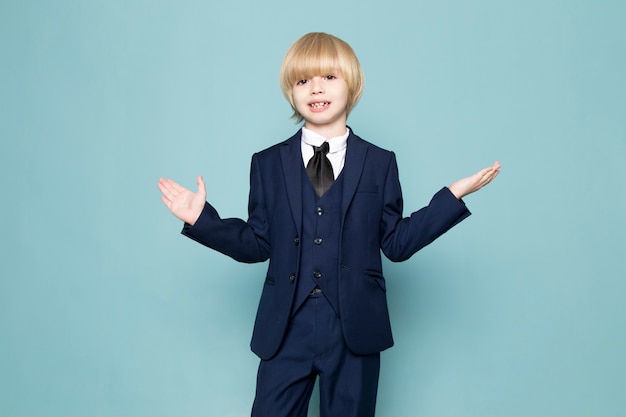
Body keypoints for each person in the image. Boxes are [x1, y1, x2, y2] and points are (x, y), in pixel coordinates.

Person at [158, 32, 500, 417]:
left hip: (354, 328)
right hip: (285, 327)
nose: (315, 89)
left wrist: (450, 199)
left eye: (328, 78)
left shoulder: (379, 162)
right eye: (303, 80)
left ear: (351, 85)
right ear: (291, 91)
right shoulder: (267, 163)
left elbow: (397, 243)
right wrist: (202, 220)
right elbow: (257, 242)